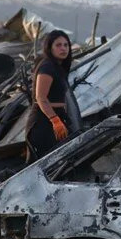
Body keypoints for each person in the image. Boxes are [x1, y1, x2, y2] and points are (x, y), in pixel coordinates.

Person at [26, 30, 76, 162]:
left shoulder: (58, 67)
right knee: (45, 163)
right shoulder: (47, 67)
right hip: (44, 121)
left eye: (66, 45)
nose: (63, 48)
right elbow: (40, 97)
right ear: (50, 47)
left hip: (56, 117)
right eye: (58, 45)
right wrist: (55, 120)